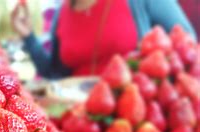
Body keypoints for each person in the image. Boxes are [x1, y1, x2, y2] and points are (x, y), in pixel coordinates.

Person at [11, 0, 197, 79]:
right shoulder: (62, 13)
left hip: (136, 124)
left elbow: (187, 45)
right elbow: (56, 74)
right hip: (83, 127)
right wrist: (28, 37)